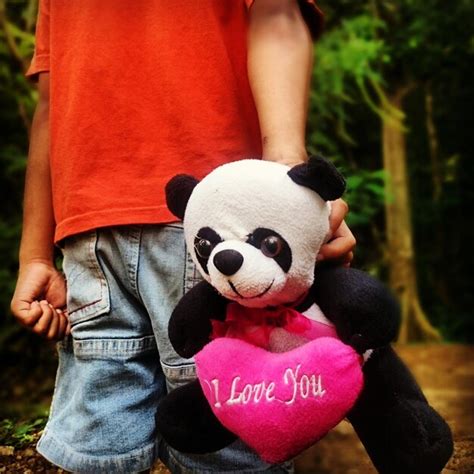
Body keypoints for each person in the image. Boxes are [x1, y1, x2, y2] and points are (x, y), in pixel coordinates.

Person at [10, 1, 355, 472]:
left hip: (165, 232)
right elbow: (276, 14)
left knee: (138, 444)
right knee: (217, 437)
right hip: (166, 231)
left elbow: (51, 104)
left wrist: (35, 255)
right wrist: (34, 258)